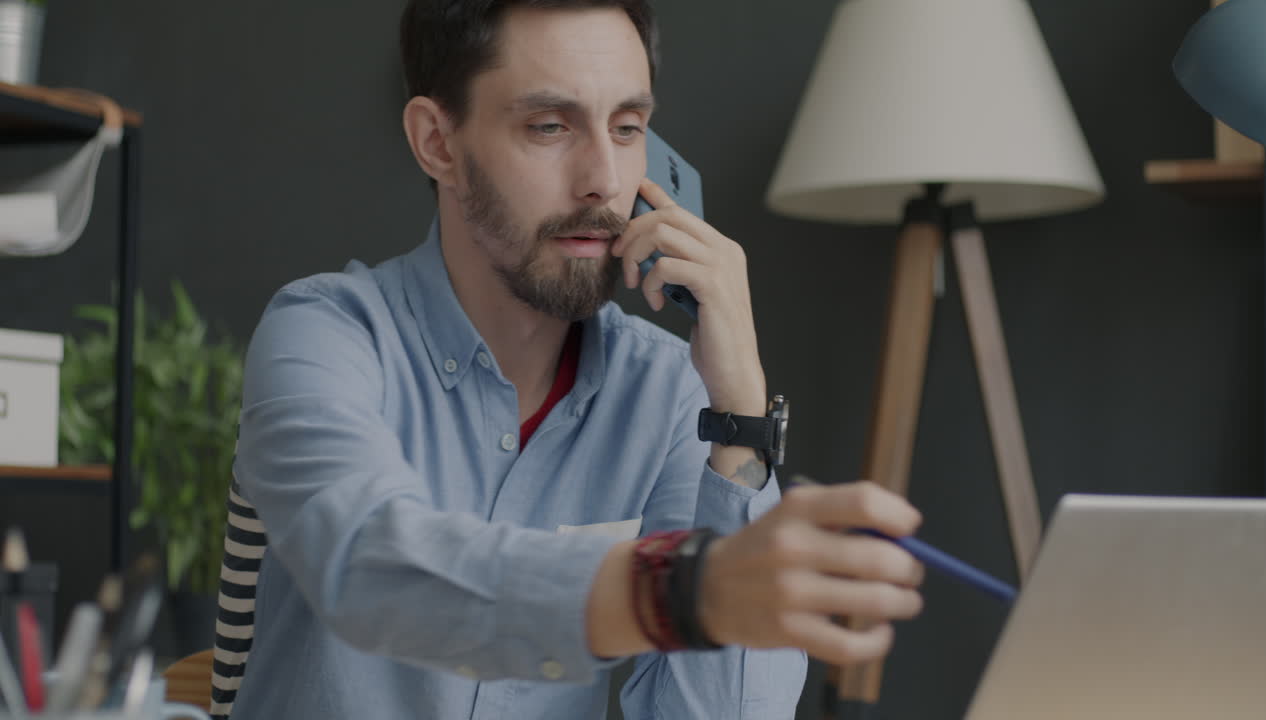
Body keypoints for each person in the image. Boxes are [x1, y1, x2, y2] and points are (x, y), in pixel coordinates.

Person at [227, 1, 926, 718]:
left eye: (627, 128)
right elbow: (368, 566)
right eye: (550, 127)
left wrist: (741, 414)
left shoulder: (667, 392)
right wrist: (673, 589)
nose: (604, 179)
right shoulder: (325, 336)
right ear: (437, 142)